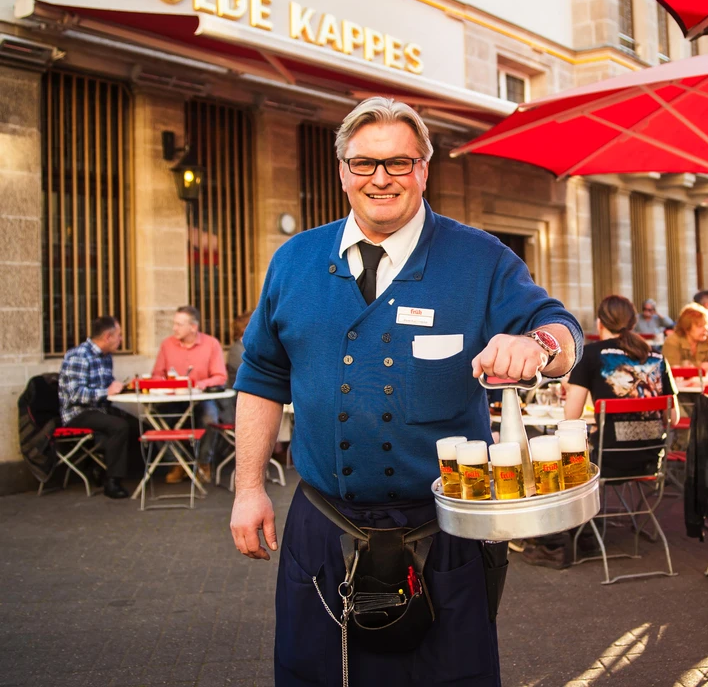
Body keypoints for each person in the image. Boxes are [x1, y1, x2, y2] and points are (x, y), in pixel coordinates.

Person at [229, 97, 581, 687]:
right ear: (342, 170)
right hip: (322, 521)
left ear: (423, 170)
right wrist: (246, 489)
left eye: (399, 162)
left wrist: (539, 347)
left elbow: (561, 326)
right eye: (364, 163)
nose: (381, 178)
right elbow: (261, 377)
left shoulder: (480, 258)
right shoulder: (293, 261)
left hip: (444, 529)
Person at [565, 295, 678, 470]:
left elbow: (570, 417)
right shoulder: (657, 356)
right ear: (633, 323)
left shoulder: (589, 354)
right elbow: (674, 418)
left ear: (599, 323)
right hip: (652, 456)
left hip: (608, 458)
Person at [57, 315, 132, 499]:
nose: (121, 340)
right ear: (108, 336)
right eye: (119, 335)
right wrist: (106, 392)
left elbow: (108, 386)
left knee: (138, 424)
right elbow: (75, 395)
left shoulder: (106, 357)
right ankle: (112, 482)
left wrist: (124, 387)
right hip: (78, 413)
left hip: (100, 410)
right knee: (119, 426)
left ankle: (100, 467)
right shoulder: (79, 356)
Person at [151, 306, 228, 483]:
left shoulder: (211, 344)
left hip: (200, 398)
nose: (174, 328)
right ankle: (177, 463)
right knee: (153, 417)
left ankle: (203, 463)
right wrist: (169, 384)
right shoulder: (166, 345)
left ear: (193, 327)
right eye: (174, 324)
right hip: (173, 398)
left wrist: (200, 384)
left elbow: (220, 377)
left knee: (211, 417)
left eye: (179, 324)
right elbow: (156, 375)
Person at [662, 302, 708, 371]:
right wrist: (700, 366)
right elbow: (672, 369)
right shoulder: (672, 341)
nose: (706, 329)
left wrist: (688, 365)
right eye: (700, 326)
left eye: (706, 325)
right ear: (687, 328)